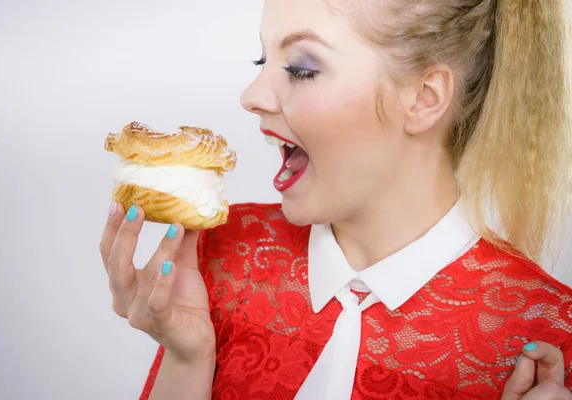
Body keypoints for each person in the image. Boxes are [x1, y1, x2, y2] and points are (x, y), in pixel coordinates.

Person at [99, 0, 572, 398]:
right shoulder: (221, 252)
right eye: (262, 62)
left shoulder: (547, 337)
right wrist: (187, 358)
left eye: (301, 69)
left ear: (424, 98)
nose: (252, 96)